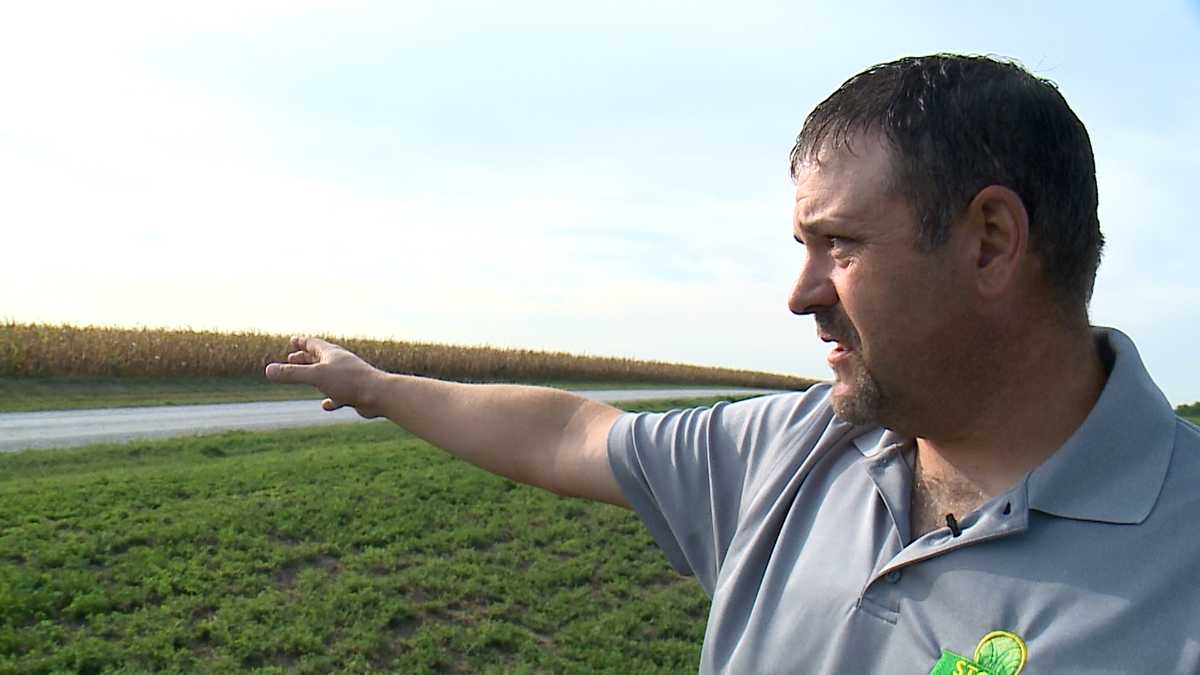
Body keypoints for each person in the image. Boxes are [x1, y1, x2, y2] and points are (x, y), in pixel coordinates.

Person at [266, 54, 1200, 673]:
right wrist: (374, 387)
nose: (800, 294)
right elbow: (566, 433)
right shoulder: (796, 447)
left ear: (991, 241)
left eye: (838, 243)